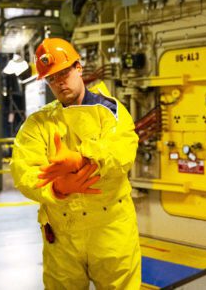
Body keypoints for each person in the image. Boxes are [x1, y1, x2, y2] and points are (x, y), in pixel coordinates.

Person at [10, 38, 141, 290]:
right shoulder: (38, 124)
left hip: (111, 231)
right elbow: (24, 170)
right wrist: (56, 188)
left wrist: (85, 158)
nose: (59, 82)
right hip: (62, 235)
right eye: (52, 78)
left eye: (64, 73)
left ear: (78, 69)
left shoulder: (110, 111)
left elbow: (122, 150)